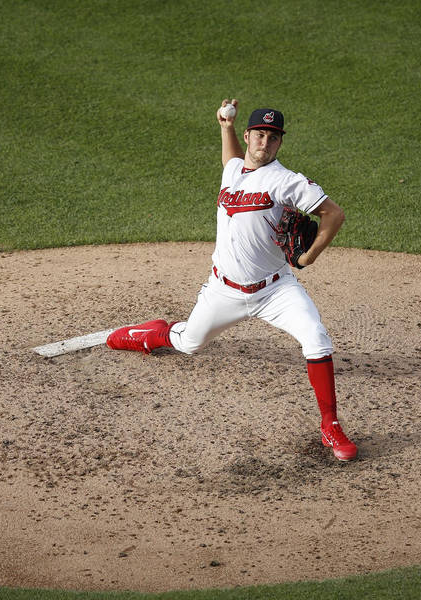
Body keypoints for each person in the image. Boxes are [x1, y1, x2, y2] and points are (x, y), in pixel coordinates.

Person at [106, 100, 357, 461]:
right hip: (223, 289)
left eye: (273, 137)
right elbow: (231, 161)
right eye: (259, 135)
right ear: (248, 136)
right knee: (190, 343)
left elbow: (333, 213)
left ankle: (330, 426)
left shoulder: (288, 181)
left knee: (317, 339)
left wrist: (307, 257)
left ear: (279, 143)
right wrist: (224, 126)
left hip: (275, 290)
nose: (265, 142)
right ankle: (151, 334)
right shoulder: (235, 170)